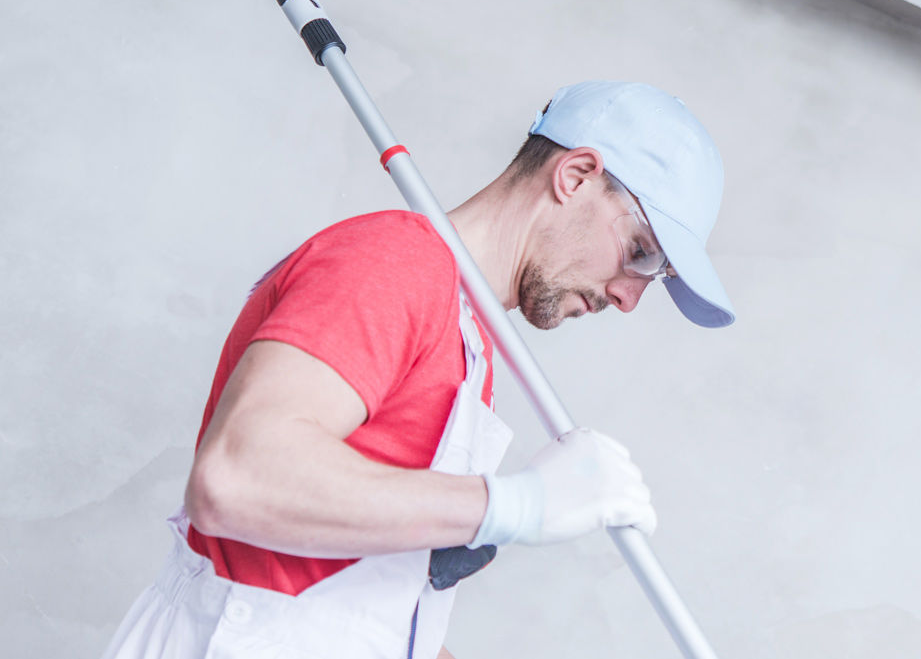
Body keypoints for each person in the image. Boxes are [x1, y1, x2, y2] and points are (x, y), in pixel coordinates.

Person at [99, 81, 735, 659]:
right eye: (640, 253)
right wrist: (516, 503)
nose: (628, 298)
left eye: (656, 275)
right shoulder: (393, 263)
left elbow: (352, 609)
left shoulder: (469, 343)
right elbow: (237, 478)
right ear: (575, 175)